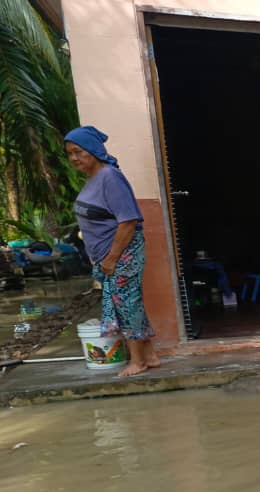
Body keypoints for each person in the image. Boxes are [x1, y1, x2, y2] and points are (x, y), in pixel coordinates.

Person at [66, 126, 160, 377]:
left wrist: (111, 258)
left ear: (94, 151)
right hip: (109, 256)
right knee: (129, 303)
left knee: (125, 305)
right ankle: (149, 356)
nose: (74, 158)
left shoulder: (110, 177)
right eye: (69, 154)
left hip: (121, 254)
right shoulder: (94, 179)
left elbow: (128, 220)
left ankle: (137, 362)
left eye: (78, 151)